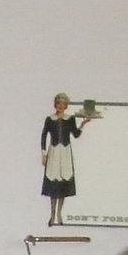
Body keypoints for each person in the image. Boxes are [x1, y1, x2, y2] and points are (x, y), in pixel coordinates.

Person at [41, 91, 99, 226]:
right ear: (55, 104)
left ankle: (59, 214)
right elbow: (44, 136)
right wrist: (44, 154)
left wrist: (83, 124)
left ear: (66, 106)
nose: (61, 106)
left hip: (65, 152)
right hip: (54, 152)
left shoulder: (70, 119)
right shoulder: (49, 119)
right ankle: (52, 214)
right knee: (53, 182)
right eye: (59, 103)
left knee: (63, 183)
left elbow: (76, 134)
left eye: (63, 104)